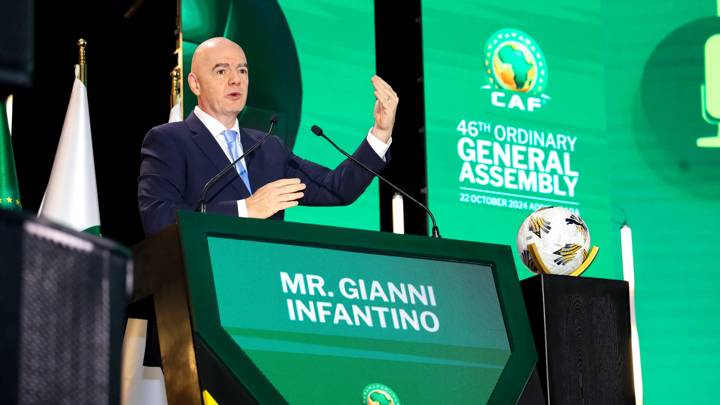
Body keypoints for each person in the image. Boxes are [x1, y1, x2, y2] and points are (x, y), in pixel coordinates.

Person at [138, 37, 398, 235]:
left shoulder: (267, 146)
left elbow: (337, 188)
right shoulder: (169, 140)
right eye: (221, 71)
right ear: (195, 84)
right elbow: (158, 218)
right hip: (206, 285)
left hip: (269, 282)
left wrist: (381, 132)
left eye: (242, 70)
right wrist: (246, 209)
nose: (235, 80)